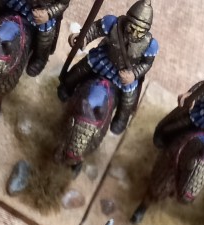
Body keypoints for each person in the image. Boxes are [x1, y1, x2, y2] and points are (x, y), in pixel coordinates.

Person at [57, 1, 158, 135]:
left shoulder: (150, 44)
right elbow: (94, 30)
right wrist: (84, 38)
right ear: (128, 20)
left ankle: (120, 120)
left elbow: (146, 64)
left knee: (128, 99)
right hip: (104, 59)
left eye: (139, 32)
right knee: (80, 70)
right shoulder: (112, 23)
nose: (134, 34)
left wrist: (133, 75)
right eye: (132, 28)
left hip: (126, 73)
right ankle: (66, 87)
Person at [0, 0, 71, 77]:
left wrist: (49, 13)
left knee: (46, 31)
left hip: (41, 10)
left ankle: (40, 58)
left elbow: (63, 4)